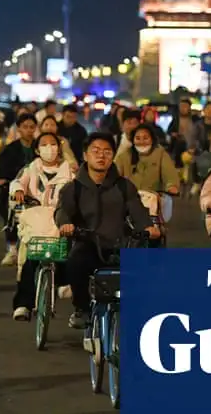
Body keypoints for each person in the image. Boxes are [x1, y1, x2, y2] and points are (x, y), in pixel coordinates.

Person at [57, 132, 157, 328]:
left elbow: (137, 210)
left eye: (106, 152)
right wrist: (65, 224)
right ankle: (82, 309)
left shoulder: (124, 186)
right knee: (76, 262)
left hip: (119, 244)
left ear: (113, 156)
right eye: (95, 151)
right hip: (88, 243)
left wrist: (147, 227)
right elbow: (63, 211)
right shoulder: (73, 188)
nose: (101, 156)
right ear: (85, 155)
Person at [9, 131, 74, 320]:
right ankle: (23, 304)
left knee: (64, 249)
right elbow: (17, 182)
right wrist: (19, 190)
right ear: (37, 150)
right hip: (36, 217)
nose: (49, 148)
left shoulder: (69, 170)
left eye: (52, 144)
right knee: (31, 258)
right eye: (44, 145)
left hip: (59, 217)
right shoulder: (31, 168)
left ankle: (63, 283)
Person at [0, 113, 37, 265]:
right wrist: (4, 180)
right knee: (9, 207)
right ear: (19, 129)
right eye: (25, 127)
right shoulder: (10, 149)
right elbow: (1, 171)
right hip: (14, 189)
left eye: (32, 127)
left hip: (37, 190)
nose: (29, 130)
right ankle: (12, 248)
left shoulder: (39, 148)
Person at [115, 123, 179, 196]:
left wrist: (172, 186)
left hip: (154, 198)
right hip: (129, 198)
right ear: (133, 140)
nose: (142, 142)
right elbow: (114, 174)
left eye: (145, 138)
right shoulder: (124, 155)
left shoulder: (160, 154)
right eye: (138, 138)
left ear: (152, 139)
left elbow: (169, 173)